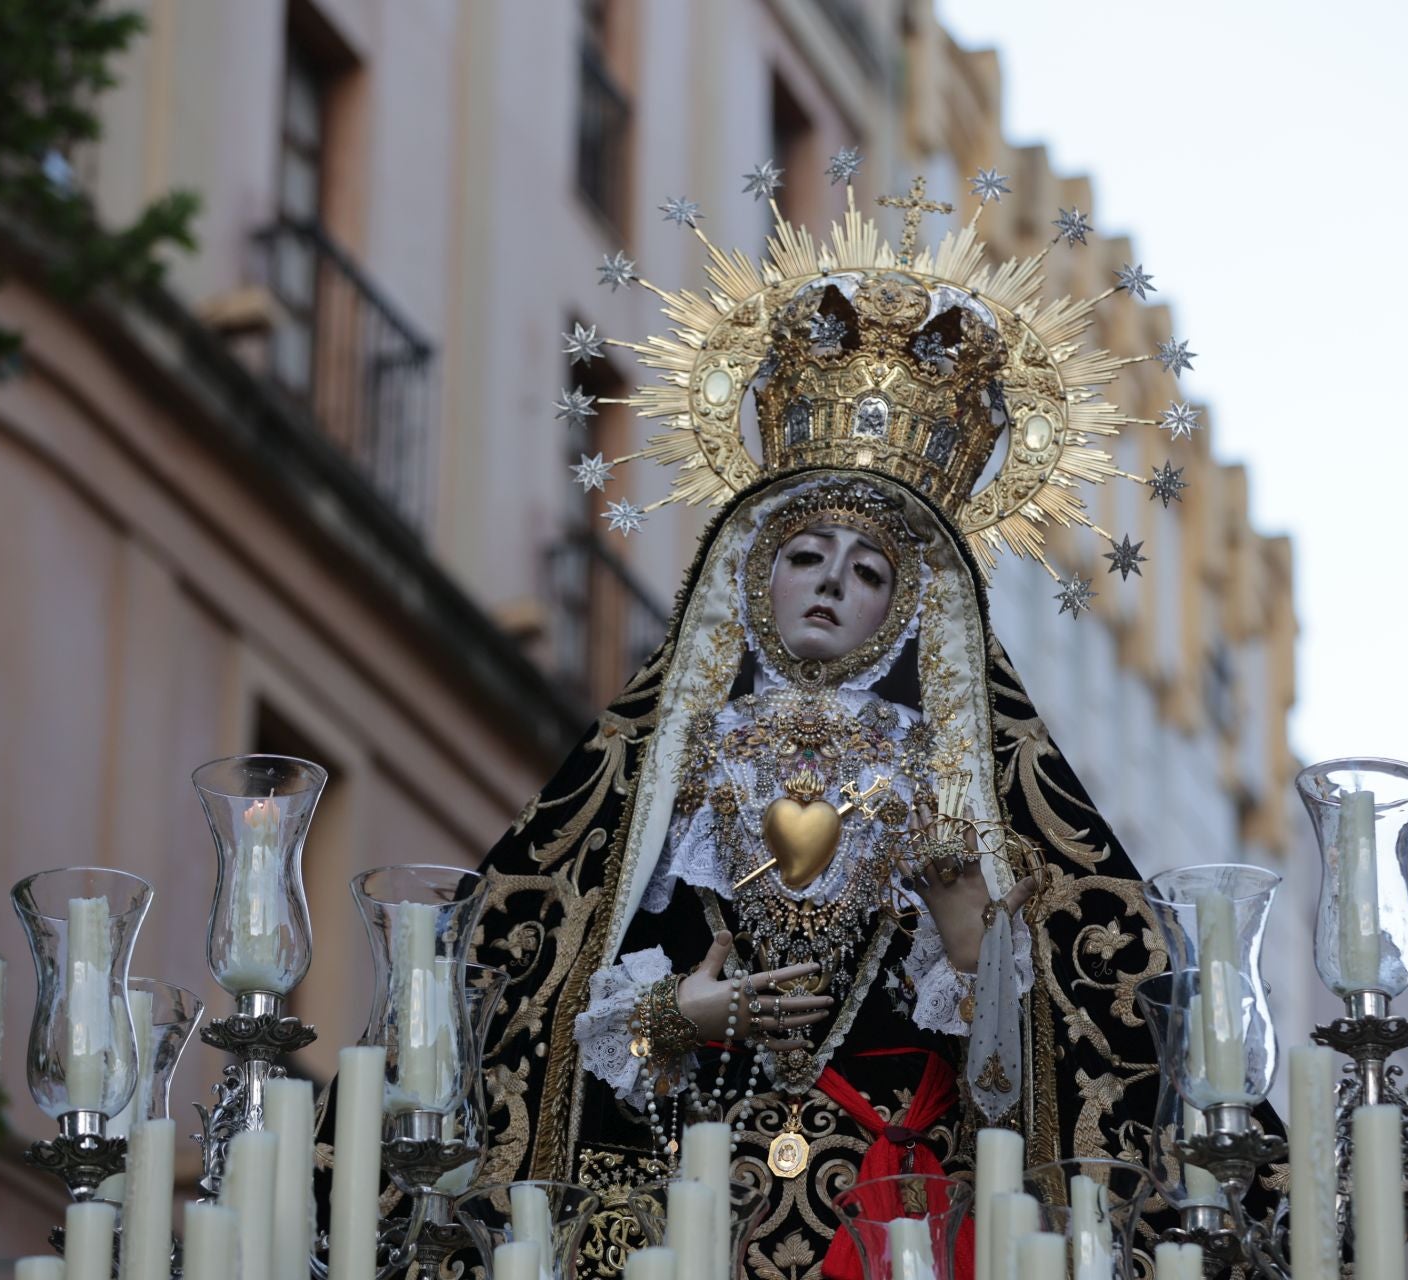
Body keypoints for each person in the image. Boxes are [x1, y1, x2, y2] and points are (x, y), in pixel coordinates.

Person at [473, 214, 1194, 1277]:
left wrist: (969, 941)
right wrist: (683, 1009)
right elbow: (547, 997)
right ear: (753, 577)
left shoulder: (958, 778)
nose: (830, 581)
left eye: (869, 572)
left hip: (898, 1210)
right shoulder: (671, 763)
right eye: (806, 553)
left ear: (908, 613)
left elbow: (1033, 1081)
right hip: (695, 1204)